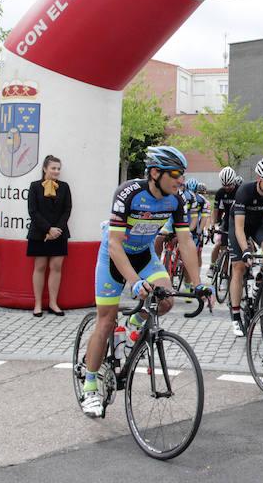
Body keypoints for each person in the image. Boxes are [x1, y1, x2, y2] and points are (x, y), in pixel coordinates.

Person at [80, 146, 204, 417]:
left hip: (144, 255)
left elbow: (185, 241)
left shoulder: (177, 199)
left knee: (166, 299)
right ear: (155, 173)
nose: (180, 181)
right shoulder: (129, 193)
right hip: (115, 256)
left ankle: (134, 327)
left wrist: (197, 284)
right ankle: (90, 386)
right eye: (175, 174)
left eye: (182, 175)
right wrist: (135, 282)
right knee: (106, 321)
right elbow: (114, 243)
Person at [228, 157, 263, 336]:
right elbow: (239, 227)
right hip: (239, 225)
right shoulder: (244, 191)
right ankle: (236, 316)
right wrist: (245, 250)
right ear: (259, 178)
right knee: (238, 267)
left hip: (259, 224)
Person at [26, 155, 72, 317]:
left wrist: (57, 229)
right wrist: (48, 229)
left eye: (58, 168)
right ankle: (37, 304)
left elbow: (67, 210)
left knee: (56, 267)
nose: (56, 171)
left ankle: (53, 303)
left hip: (59, 233)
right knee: (39, 267)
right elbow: (33, 211)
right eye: (53, 168)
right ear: (45, 169)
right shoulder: (35, 186)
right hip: (39, 233)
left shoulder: (65, 187)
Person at [210, 166, 240, 274]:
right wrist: (212, 225)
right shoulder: (220, 192)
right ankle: (222, 268)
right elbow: (215, 210)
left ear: (234, 181)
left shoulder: (240, 191)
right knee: (222, 246)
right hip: (227, 219)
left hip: (239, 218)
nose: (227, 187)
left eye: (229, 185)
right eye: (224, 185)